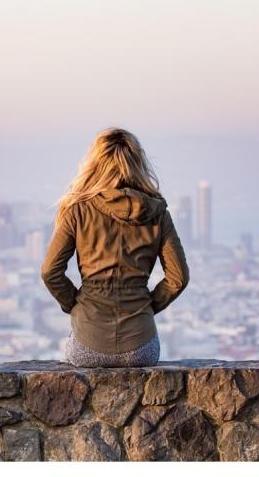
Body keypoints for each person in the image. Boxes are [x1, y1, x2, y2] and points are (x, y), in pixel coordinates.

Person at [40, 127, 190, 367]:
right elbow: (178, 278)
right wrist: (147, 306)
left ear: (95, 164)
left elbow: (50, 272)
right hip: (141, 347)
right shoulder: (158, 213)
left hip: (88, 343)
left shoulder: (77, 210)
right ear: (138, 163)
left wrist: (76, 305)